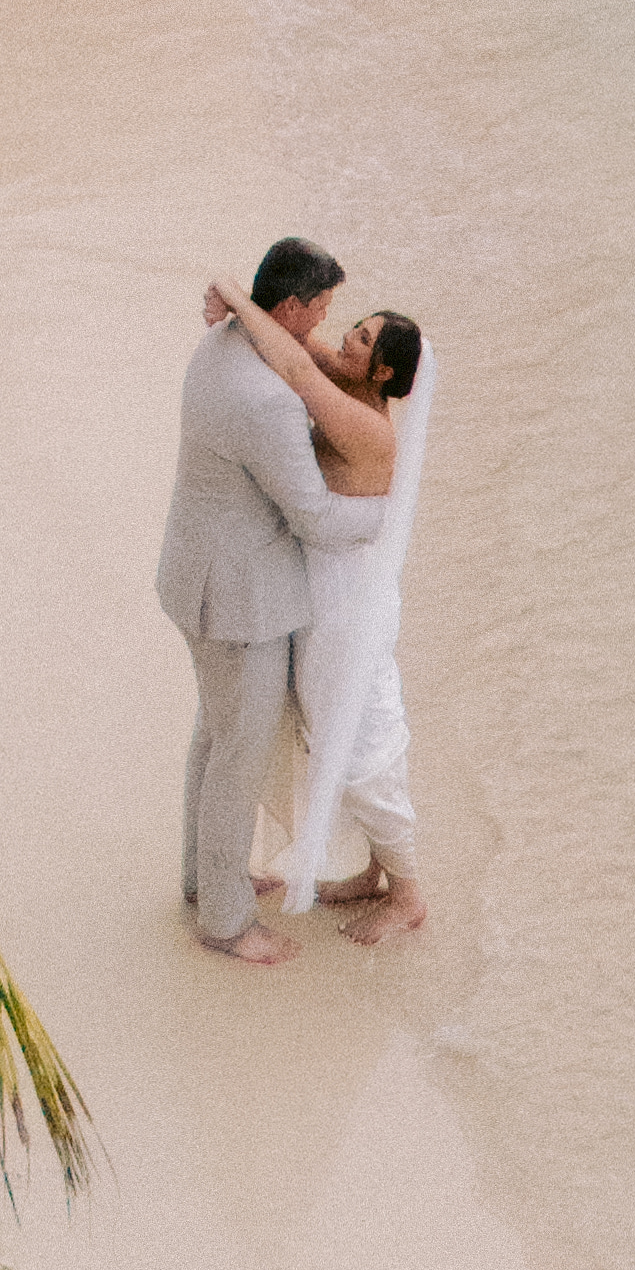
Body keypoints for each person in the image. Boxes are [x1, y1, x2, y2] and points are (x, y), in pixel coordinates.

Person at [205, 272, 428, 936]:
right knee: (331, 727)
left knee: (360, 743)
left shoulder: (367, 427)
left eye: (359, 339)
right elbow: (297, 343)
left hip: (349, 604)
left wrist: (232, 294)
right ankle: (373, 872)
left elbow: (299, 367)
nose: (344, 340)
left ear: (383, 370)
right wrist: (247, 312)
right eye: (351, 328)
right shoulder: (352, 378)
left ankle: (409, 895)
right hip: (325, 591)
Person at [152, 237, 354, 964]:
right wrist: (385, 518)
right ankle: (227, 920)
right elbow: (313, 514)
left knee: (214, 735)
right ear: (291, 307)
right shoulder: (266, 399)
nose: (328, 321)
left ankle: (204, 881)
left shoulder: (223, 345)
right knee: (236, 751)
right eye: (322, 308)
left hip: (197, 573)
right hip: (238, 602)